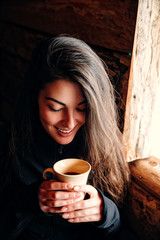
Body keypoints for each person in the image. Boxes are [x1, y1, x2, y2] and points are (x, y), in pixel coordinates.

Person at [0, 35, 130, 240]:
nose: (69, 123)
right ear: (35, 98)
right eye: (56, 108)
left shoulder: (104, 147)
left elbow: (119, 231)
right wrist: (29, 201)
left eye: (82, 108)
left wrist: (107, 214)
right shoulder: (9, 145)